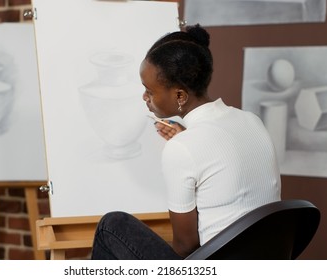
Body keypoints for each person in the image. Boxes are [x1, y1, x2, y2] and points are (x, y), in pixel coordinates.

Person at [91, 24, 281, 260]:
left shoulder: (182, 148)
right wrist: (188, 139)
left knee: (112, 225)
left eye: (149, 91)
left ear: (180, 96)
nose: (144, 98)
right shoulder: (253, 122)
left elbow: (186, 245)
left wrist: (184, 145)